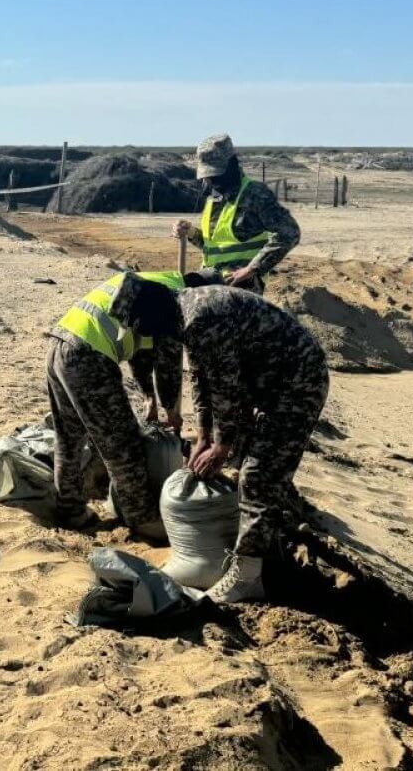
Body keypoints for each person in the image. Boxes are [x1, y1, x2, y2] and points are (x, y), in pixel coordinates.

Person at [110, 281, 329, 603]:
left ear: (154, 316)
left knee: (257, 475)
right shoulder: (187, 311)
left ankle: (248, 576)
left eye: (147, 330)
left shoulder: (201, 319)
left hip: (297, 385)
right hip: (265, 384)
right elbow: (201, 379)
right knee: (245, 463)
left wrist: (220, 446)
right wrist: (202, 436)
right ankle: (271, 536)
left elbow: (226, 390)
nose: (152, 339)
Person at [47, 270, 209, 538]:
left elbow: (139, 350)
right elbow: (167, 362)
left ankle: (70, 509)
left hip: (60, 342)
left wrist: (148, 397)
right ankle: (143, 519)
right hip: (89, 355)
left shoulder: (154, 282)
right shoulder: (175, 301)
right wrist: (171, 410)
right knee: (123, 446)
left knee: (68, 436)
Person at [171, 134, 300, 294]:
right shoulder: (215, 197)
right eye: (208, 175)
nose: (210, 180)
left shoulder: (254, 194)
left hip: (240, 288)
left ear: (231, 166)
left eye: (215, 174)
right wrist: (190, 233)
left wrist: (252, 269)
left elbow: (289, 233)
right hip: (212, 280)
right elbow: (213, 247)